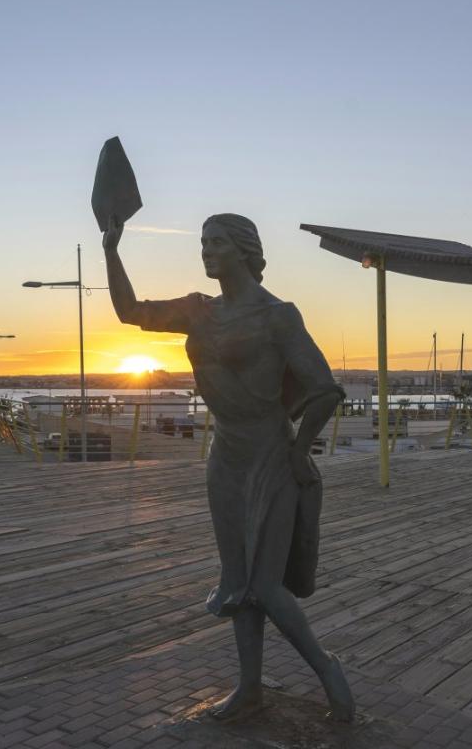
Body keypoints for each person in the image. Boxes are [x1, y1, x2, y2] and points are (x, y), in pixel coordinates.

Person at [104, 212, 354, 722]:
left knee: (265, 584)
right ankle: (249, 688)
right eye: (202, 241)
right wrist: (111, 250)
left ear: (244, 250)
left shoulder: (277, 316)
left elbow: (325, 389)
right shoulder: (198, 311)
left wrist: (301, 448)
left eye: (215, 241)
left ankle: (327, 668)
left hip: (270, 453)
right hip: (226, 456)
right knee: (238, 581)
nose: (205, 250)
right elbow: (130, 311)